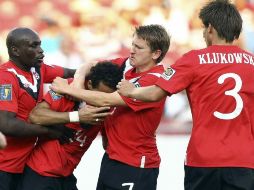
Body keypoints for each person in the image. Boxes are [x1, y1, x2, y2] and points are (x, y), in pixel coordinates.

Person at [117, 1, 254, 190]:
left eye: (204, 28)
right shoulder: (252, 62)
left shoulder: (193, 59)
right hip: (245, 160)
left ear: (210, 29)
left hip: (204, 158)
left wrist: (131, 90)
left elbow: (155, 93)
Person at [50, 24, 170, 190]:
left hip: (135, 163)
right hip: (112, 158)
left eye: (139, 47)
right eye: (132, 44)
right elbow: (89, 65)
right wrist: (78, 82)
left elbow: (107, 100)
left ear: (156, 54)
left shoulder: (154, 80)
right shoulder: (126, 66)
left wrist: (67, 89)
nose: (132, 50)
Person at [0, 27, 111, 190]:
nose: (41, 51)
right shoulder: (5, 79)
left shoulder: (38, 69)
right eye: (33, 46)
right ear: (15, 51)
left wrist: (77, 82)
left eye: (40, 45)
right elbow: (6, 125)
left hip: (23, 162)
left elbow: (81, 70)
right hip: (4, 165)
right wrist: (49, 131)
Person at [17, 61, 123, 190]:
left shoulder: (111, 102)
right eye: (99, 95)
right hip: (41, 174)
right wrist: (77, 116)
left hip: (66, 175)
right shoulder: (66, 88)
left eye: (106, 97)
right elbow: (35, 115)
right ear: (89, 84)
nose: (102, 101)